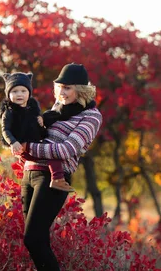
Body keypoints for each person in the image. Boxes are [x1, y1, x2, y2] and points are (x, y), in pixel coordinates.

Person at [12, 63, 102, 271]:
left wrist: (29, 147)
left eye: (68, 87)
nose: (62, 92)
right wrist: (18, 145)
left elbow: (66, 149)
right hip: (30, 173)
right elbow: (35, 138)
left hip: (53, 179)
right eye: (60, 86)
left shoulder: (90, 116)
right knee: (38, 241)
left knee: (32, 239)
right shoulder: (55, 111)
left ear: (81, 90)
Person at [0, 72, 74, 192]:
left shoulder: (31, 108)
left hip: (34, 141)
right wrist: (13, 142)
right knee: (51, 153)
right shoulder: (9, 111)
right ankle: (57, 179)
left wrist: (40, 119)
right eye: (15, 91)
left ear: (29, 93)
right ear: (8, 94)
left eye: (23, 91)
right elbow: (5, 130)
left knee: (51, 149)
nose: (19, 94)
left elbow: (33, 122)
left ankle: (56, 178)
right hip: (21, 145)